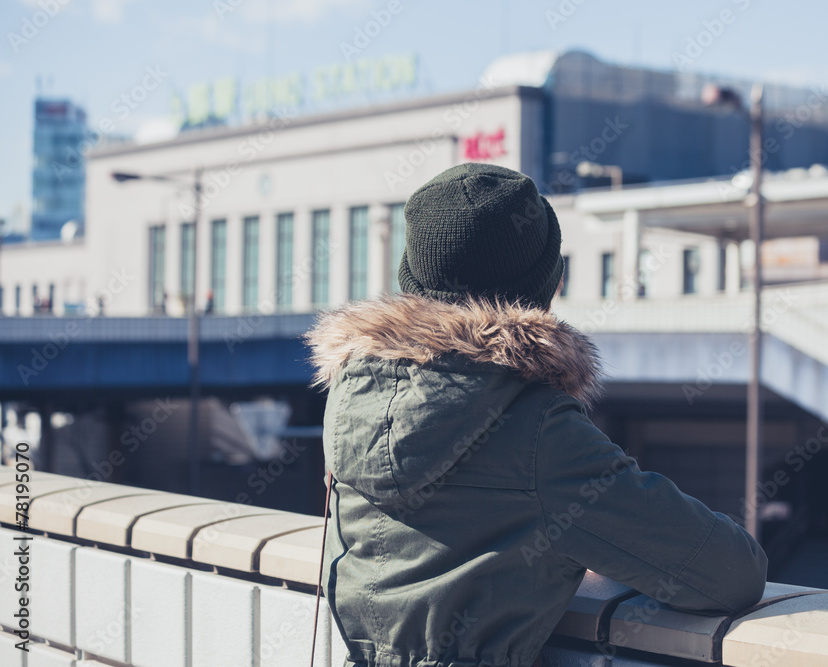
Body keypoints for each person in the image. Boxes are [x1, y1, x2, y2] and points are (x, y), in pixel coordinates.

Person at [306, 163, 767, 667]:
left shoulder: (351, 399)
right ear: (549, 285)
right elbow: (729, 574)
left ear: (411, 280)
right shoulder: (538, 430)